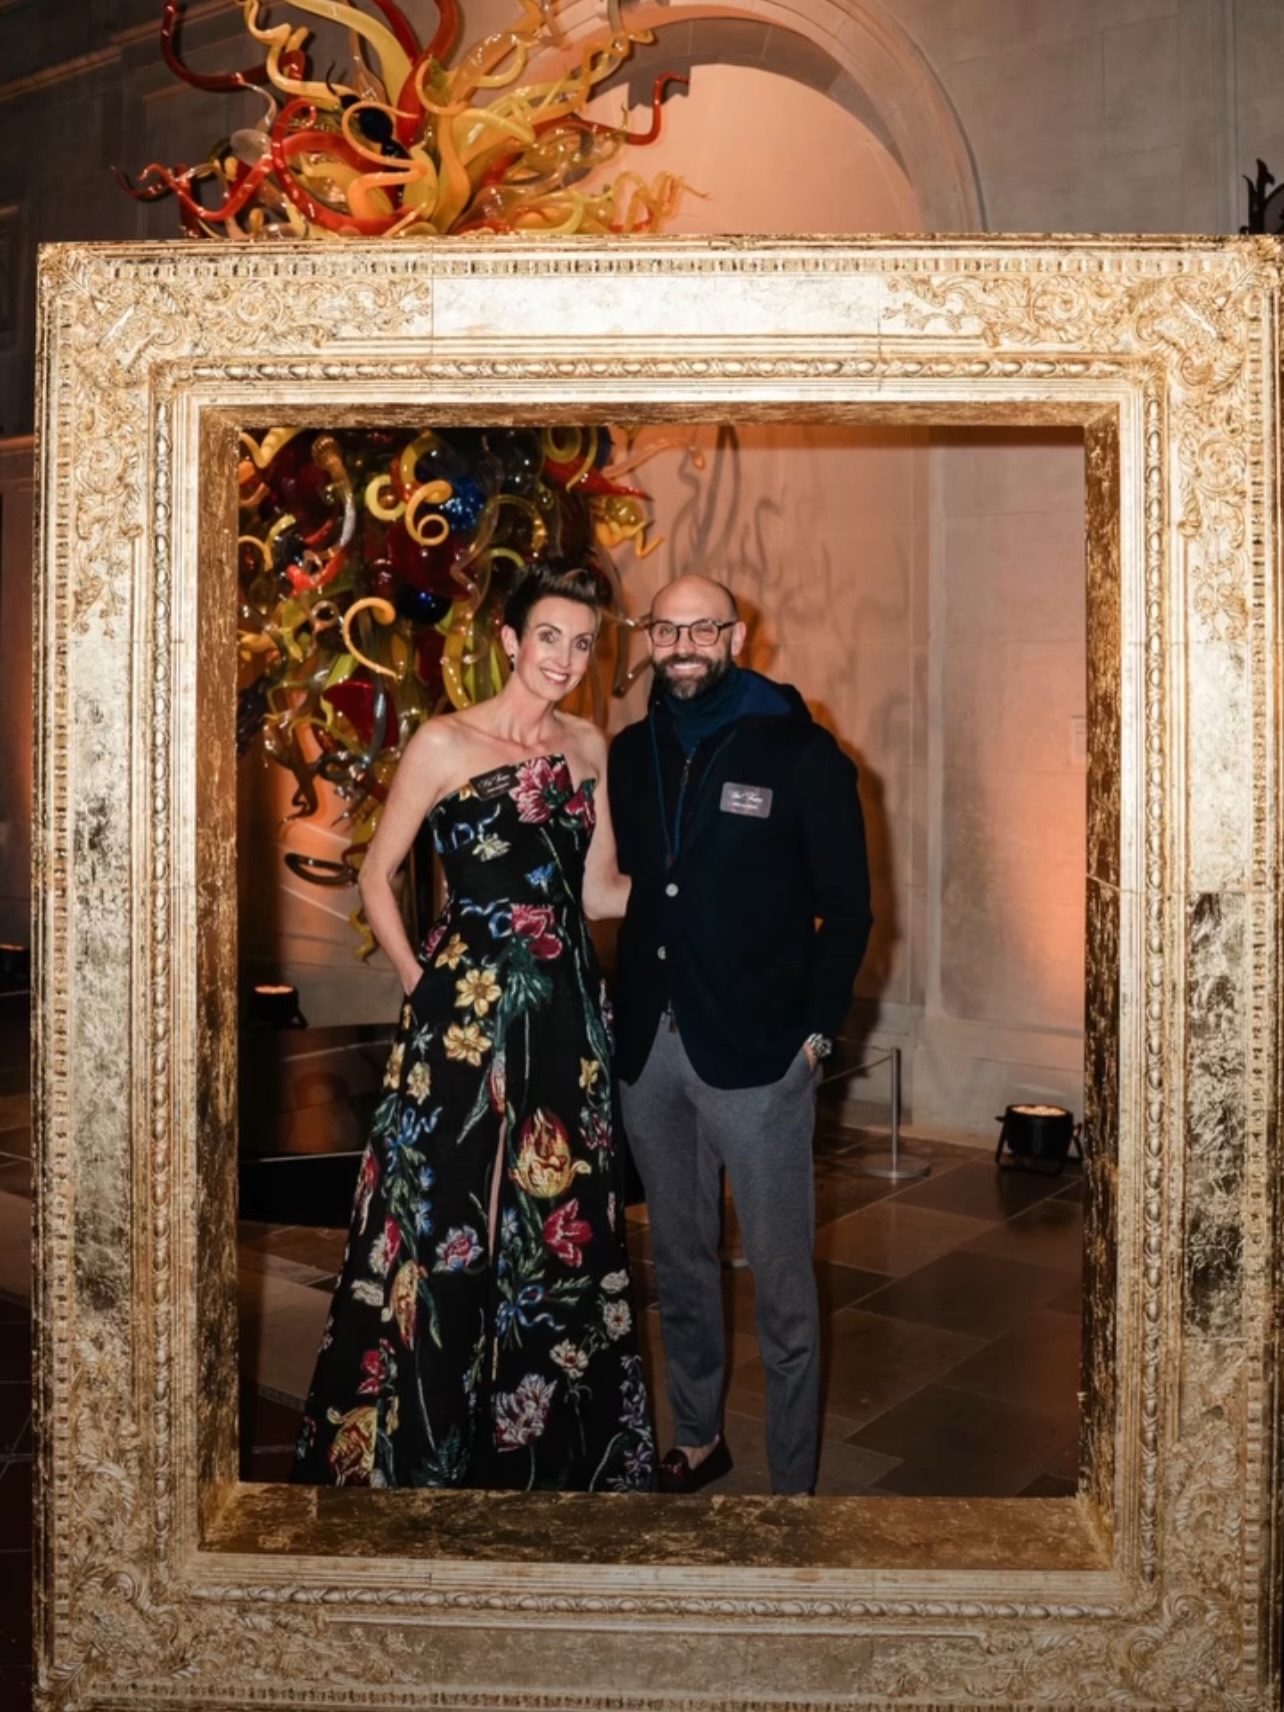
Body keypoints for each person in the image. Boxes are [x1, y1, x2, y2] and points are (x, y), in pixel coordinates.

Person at [294, 561, 656, 1492]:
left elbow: (598, 890)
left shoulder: (590, 745)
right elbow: (378, 876)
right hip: (462, 1023)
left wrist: (701, 890)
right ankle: (425, 1443)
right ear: (508, 639)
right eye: (548, 637)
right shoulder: (444, 743)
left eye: (581, 643)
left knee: (557, 1219)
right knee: (448, 1215)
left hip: (567, 1018)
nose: (565, 658)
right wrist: (422, 983)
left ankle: (550, 1453)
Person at [608, 574, 872, 1496]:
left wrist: (816, 1036)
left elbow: (848, 912)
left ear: (737, 633)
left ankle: (792, 1480)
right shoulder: (628, 751)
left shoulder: (802, 753)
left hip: (760, 1057)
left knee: (782, 1278)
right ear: (649, 637)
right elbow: (634, 889)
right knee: (678, 1257)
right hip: (652, 1050)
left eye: (702, 628)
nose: (683, 644)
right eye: (666, 628)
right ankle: (698, 1432)